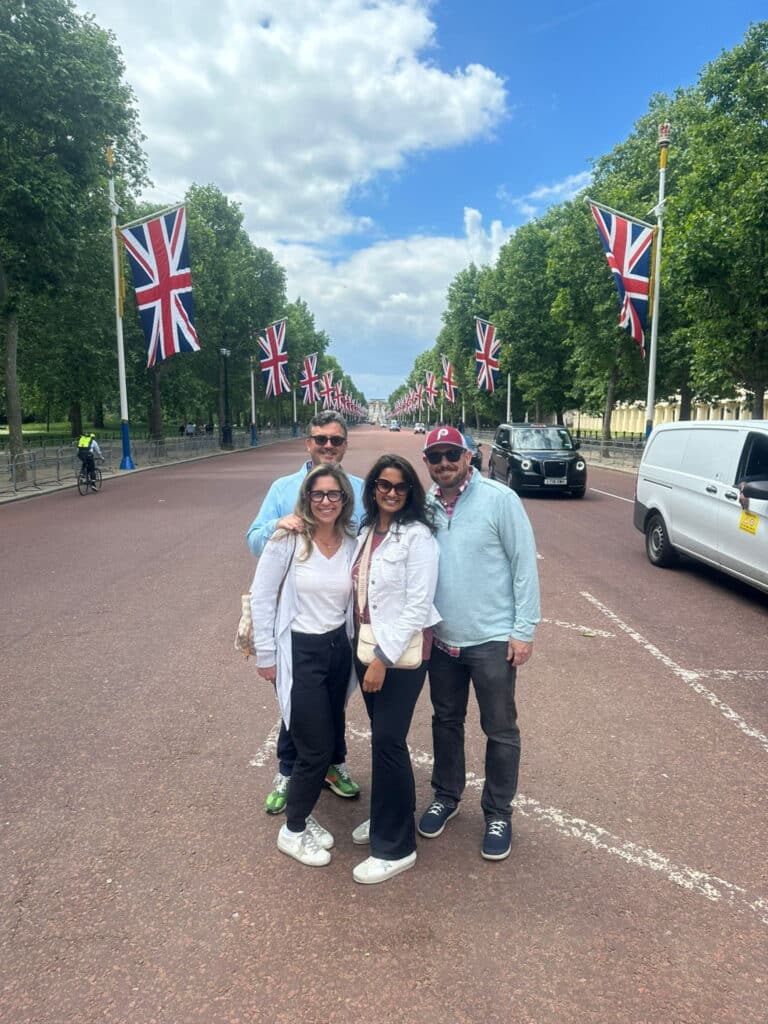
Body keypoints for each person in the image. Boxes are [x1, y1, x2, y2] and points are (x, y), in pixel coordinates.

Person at [417, 426, 540, 862]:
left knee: (500, 729)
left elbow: (524, 565)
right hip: (443, 639)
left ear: (469, 456)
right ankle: (446, 795)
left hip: (491, 639)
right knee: (445, 721)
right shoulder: (425, 504)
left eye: (452, 454)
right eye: (435, 456)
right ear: (427, 462)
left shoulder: (500, 500)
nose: (444, 463)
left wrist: (523, 629)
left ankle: (498, 811)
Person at [246, 411, 365, 814]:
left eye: (335, 440)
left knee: (332, 703)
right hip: (295, 617)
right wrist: (280, 526)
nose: (327, 446)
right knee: (298, 706)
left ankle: (332, 764)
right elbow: (255, 540)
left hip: (341, 622)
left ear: (345, 444)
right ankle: (288, 770)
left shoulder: (361, 489)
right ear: (308, 443)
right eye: (320, 439)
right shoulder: (283, 488)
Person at [250, 465, 358, 867]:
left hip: (337, 649)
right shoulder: (288, 539)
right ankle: (293, 830)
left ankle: (304, 813)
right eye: (318, 495)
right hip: (299, 650)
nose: (326, 502)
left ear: (345, 499)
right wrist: (266, 655)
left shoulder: (351, 540)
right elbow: (262, 596)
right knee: (315, 747)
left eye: (334, 495)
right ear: (306, 499)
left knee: (328, 740)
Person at [350, 455, 440, 885]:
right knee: (385, 743)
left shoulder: (418, 537)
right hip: (365, 646)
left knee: (387, 742)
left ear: (410, 492)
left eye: (400, 486)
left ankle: (395, 846)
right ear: (372, 489)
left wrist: (383, 658)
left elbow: (418, 606)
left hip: (398, 657)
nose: (390, 492)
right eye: (383, 485)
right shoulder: (367, 532)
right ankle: (387, 814)